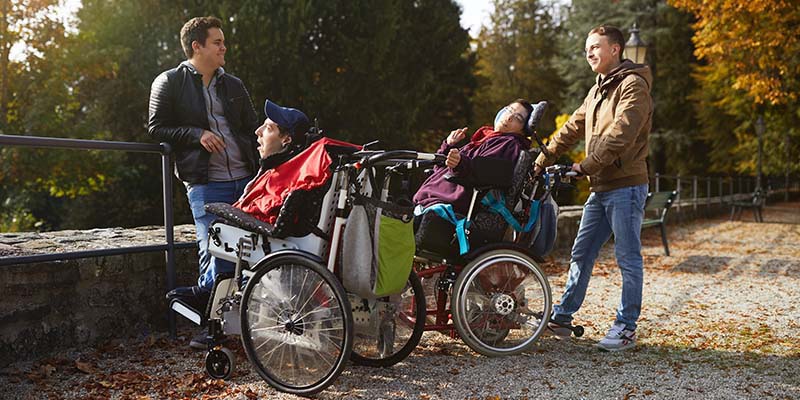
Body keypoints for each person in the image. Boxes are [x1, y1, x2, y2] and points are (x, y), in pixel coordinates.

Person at [533, 25, 653, 351]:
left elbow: (621, 135)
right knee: (581, 253)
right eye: (587, 48)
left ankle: (626, 328)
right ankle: (561, 317)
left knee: (628, 259)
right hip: (600, 188)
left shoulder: (633, 86)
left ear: (615, 49)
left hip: (626, 187)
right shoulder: (598, 89)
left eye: (595, 47)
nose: (589, 53)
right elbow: (572, 126)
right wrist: (541, 159)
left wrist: (584, 166)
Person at [148, 16, 259, 348]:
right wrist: (197, 134)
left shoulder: (234, 85)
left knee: (251, 253)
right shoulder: (168, 82)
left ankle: (245, 323)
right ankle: (211, 328)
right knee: (216, 252)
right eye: (217, 42)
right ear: (197, 46)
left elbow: (250, 128)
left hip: (246, 180)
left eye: (223, 42)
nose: (224, 47)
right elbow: (156, 127)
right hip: (206, 182)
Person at [414, 99, 533, 215]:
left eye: (518, 118)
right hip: (430, 199)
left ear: (523, 130)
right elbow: (440, 171)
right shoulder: (487, 139)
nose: (509, 117)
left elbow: (485, 171)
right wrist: (448, 146)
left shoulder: (509, 144)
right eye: (509, 110)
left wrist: (460, 163)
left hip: (446, 206)